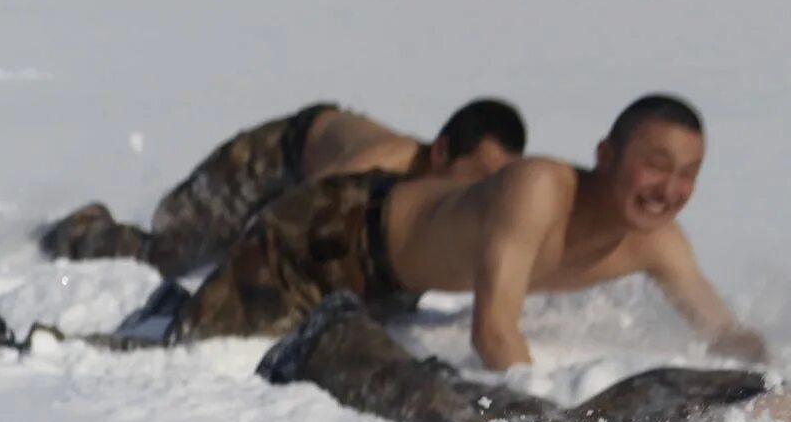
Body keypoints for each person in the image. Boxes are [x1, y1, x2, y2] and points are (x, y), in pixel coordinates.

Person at [0, 95, 766, 361]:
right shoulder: (537, 188)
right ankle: (24, 339)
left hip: (387, 275)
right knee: (186, 351)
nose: (671, 188)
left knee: (218, 330)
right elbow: (496, 335)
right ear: (606, 153)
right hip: (333, 230)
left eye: (689, 174)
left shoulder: (658, 244)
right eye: (656, 162)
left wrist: (764, 375)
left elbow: (723, 328)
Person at [252, 292, 788, 422]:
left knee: (517, 421)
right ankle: (337, 344)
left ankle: (345, 342)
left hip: (697, 410)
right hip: (697, 418)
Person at [40, 97, 526, 278]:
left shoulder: (422, 199)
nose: (485, 193)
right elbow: (295, 215)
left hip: (304, 164)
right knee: (169, 250)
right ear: (441, 151)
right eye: (478, 176)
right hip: (271, 156)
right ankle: (77, 231)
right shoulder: (386, 164)